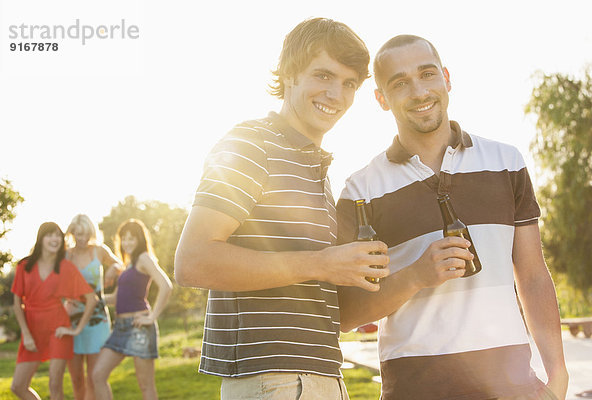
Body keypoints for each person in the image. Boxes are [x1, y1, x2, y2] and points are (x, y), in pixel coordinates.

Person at [336, 35, 569, 400]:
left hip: (511, 389)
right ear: (381, 98)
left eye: (427, 74)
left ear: (446, 78)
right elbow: (348, 314)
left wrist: (557, 376)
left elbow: (533, 274)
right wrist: (415, 276)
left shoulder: (506, 162)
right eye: (400, 83)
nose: (419, 91)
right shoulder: (360, 190)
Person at [174, 17, 389, 399]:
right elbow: (193, 260)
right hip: (276, 380)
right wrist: (322, 263)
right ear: (289, 74)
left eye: (349, 83)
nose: (336, 95)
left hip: (319, 375)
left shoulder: (313, 165)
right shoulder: (252, 144)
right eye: (323, 76)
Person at [10, 222, 98, 400]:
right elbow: (17, 302)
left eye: (58, 235)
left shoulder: (65, 267)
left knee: (55, 384)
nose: (55, 239)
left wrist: (75, 330)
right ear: (41, 239)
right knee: (18, 386)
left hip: (58, 329)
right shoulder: (24, 266)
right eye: (50, 235)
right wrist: (25, 333)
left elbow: (92, 299)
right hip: (32, 330)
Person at [92, 219, 172, 400]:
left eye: (132, 238)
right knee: (98, 375)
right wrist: (93, 298)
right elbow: (115, 298)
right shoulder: (128, 264)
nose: (127, 243)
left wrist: (151, 317)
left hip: (139, 327)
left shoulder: (144, 258)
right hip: (120, 327)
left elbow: (166, 286)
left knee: (146, 386)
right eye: (124, 239)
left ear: (140, 240)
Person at [64, 214, 124, 400]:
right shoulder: (66, 254)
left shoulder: (99, 251)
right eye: (77, 234)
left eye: (85, 234)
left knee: (94, 377)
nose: (81, 238)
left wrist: (113, 269)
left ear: (91, 232)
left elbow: (120, 264)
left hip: (97, 321)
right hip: (71, 319)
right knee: (76, 380)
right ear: (72, 233)